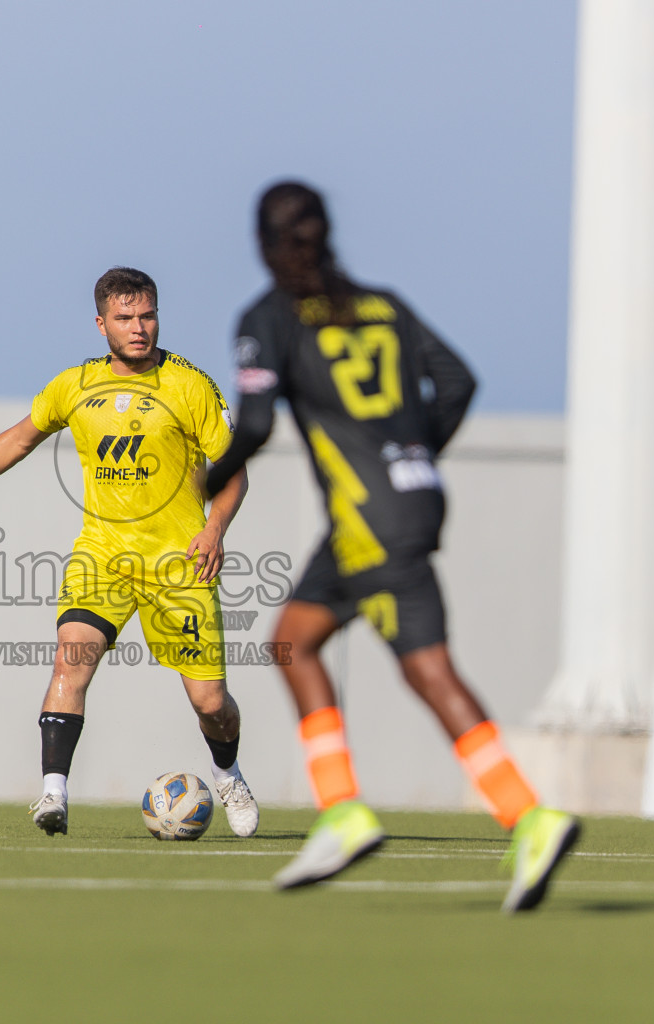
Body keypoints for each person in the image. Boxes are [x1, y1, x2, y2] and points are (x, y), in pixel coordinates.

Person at [204, 182, 580, 912]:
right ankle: (394, 812)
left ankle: (489, 813)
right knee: (300, 641)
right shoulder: (383, 305)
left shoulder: (267, 318)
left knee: (406, 666)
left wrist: (204, 484)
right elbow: (459, 381)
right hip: (413, 498)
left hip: (364, 518)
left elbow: (253, 424)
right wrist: (410, 451)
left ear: (264, 244)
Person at [0, 267, 260, 839]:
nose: (138, 328)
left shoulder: (191, 386)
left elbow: (233, 471)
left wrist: (214, 529)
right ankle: (53, 795)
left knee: (211, 702)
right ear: (101, 324)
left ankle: (228, 771)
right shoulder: (75, 385)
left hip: (178, 564)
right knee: (72, 657)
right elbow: (19, 438)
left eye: (147, 316)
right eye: (125, 318)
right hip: (103, 556)